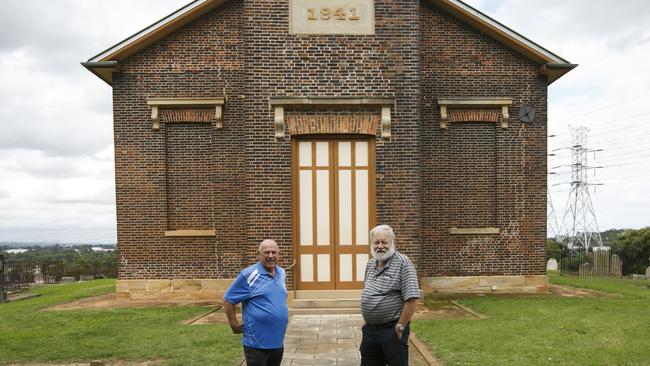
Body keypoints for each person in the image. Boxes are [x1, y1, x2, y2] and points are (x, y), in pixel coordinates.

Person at [359, 225, 420, 366]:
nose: (380, 246)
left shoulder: (403, 263)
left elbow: (411, 299)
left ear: (393, 243)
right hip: (370, 330)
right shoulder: (370, 264)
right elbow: (368, 293)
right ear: (372, 244)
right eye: (376, 242)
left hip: (391, 330)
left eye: (384, 242)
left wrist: (400, 328)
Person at [223, 239, 289, 366]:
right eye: (266, 252)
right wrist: (234, 325)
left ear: (278, 254)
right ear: (258, 254)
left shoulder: (282, 273)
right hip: (256, 344)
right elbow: (228, 300)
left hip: (277, 342)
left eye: (273, 252)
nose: (270, 256)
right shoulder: (248, 275)